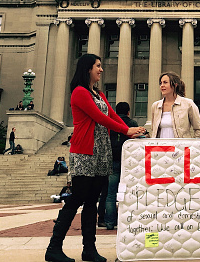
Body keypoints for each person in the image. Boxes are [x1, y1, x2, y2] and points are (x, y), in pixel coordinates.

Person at [45, 53, 145, 262]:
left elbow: (111, 114)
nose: (101, 69)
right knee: (77, 198)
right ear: (87, 69)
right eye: (97, 66)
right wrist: (125, 131)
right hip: (84, 151)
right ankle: (53, 248)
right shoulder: (80, 93)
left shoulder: (98, 94)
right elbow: (99, 117)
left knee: (92, 201)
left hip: (101, 151)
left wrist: (130, 128)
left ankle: (89, 249)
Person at [99, 101, 139, 230]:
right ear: (128, 111)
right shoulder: (132, 124)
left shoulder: (110, 124)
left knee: (111, 194)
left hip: (112, 160)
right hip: (128, 162)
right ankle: (129, 221)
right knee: (130, 192)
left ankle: (110, 222)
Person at [151, 72, 200, 138]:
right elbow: (153, 130)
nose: (162, 85)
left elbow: (198, 129)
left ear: (175, 85)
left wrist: (190, 146)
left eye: (165, 82)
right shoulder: (156, 106)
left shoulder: (188, 104)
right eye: (160, 83)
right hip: (160, 147)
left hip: (180, 147)